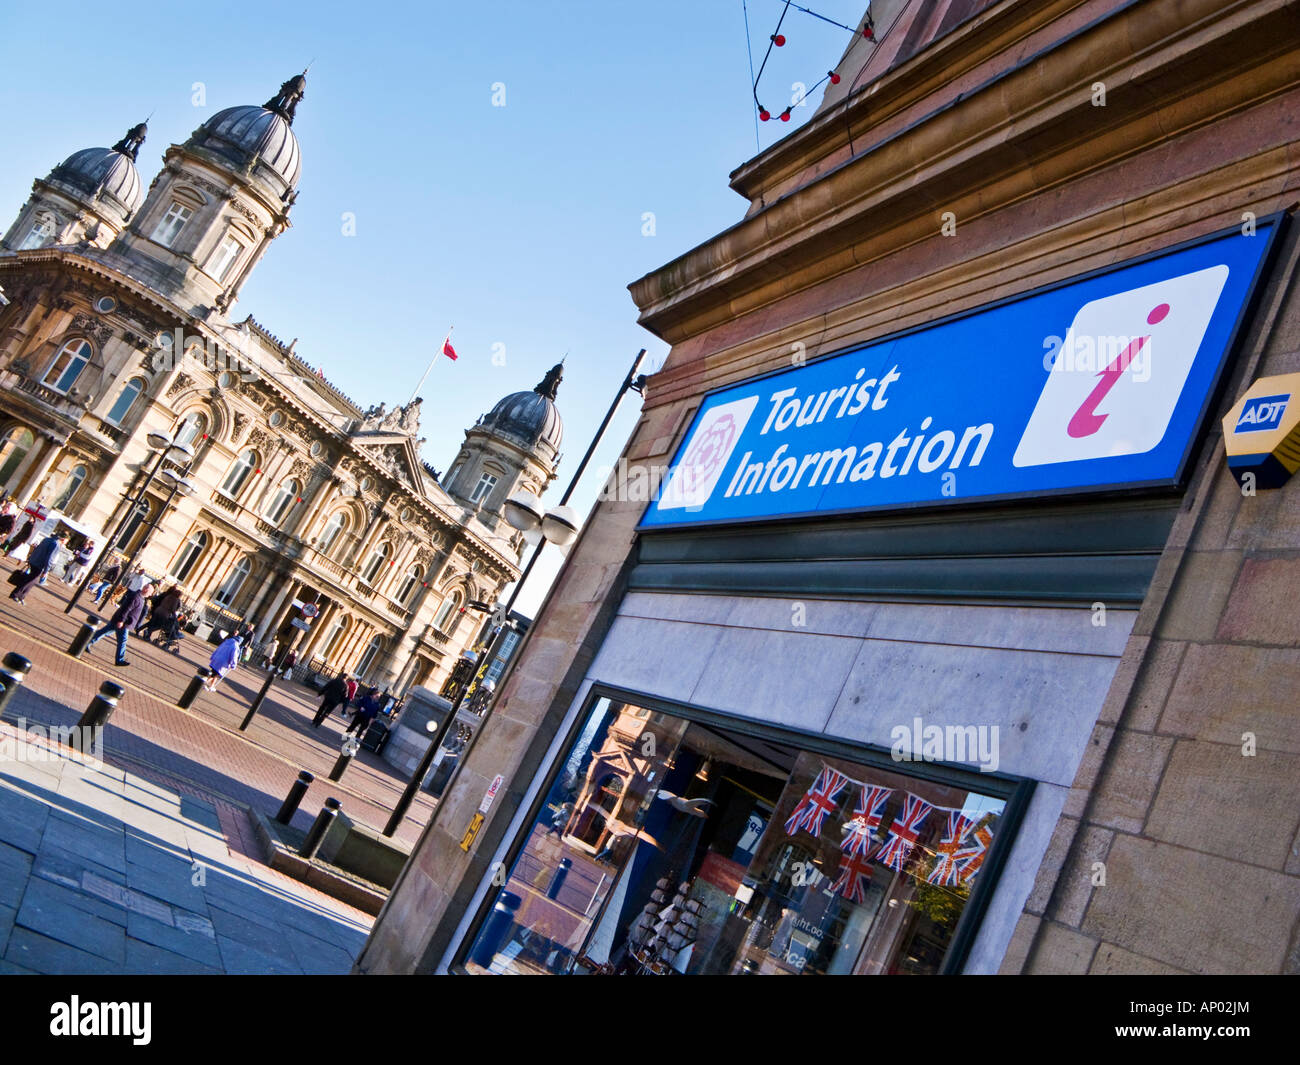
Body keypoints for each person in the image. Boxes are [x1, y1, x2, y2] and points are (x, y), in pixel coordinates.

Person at [86, 580, 152, 666]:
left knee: (104, 631)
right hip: (125, 622)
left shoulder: (140, 598)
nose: (150, 595)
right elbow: (126, 609)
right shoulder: (136, 597)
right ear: (146, 590)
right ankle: (119, 660)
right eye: (150, 592)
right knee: (122, 640)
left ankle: (87, 642)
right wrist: (121, 620)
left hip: (123, 621)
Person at [8, 529, 68, 604]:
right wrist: (46, 571)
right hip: (39, 565)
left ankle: (21, 596)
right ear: (63, 539)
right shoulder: (56, 544)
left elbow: (37, 549)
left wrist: (30, 559)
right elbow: (50, 558)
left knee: (31, 580)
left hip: (34, 561)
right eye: (67, 540)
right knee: (30, 581)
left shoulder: (47, 539)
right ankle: (16, 594)